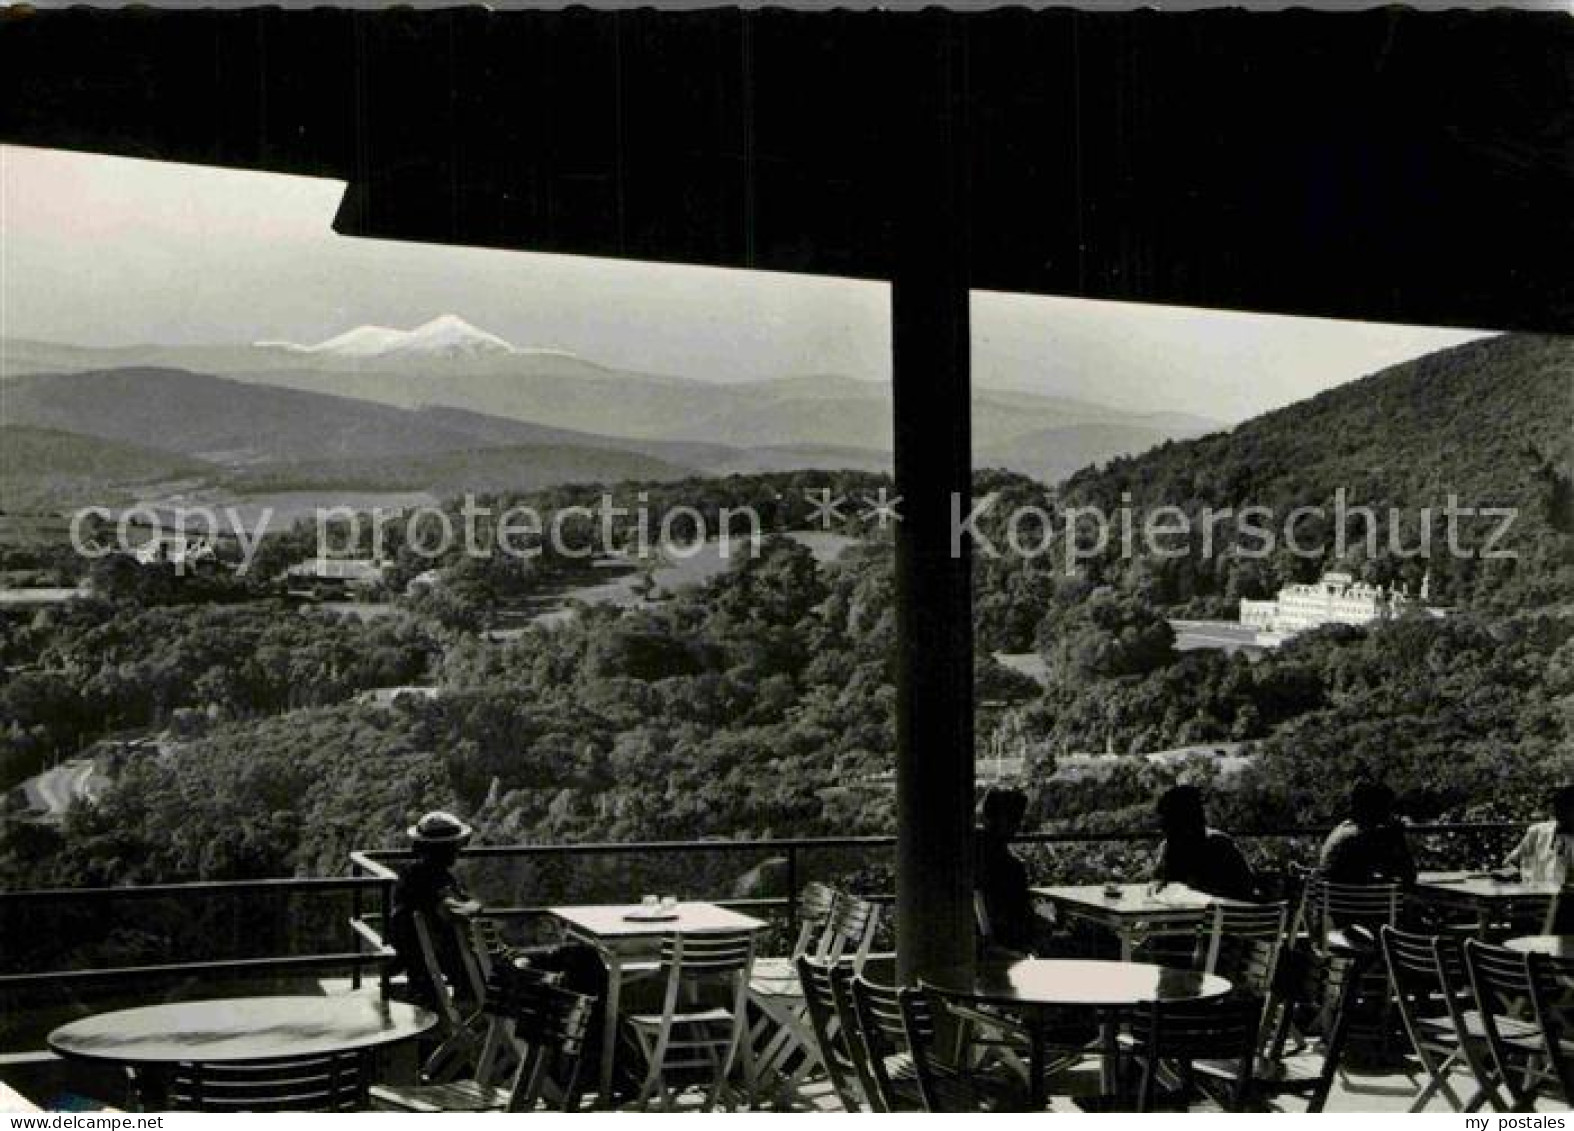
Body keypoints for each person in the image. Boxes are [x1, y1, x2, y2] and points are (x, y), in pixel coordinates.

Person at [388, 810, 483, 1008]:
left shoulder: (411, 873)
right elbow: (452, 910)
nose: (458, 850)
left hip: (417, 959)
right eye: (455, 845)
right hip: (447, 958)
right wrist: (475, 906)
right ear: (445, 848)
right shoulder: (434, 877)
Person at [1151, 784, 1256, 901]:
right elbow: (1158, 885)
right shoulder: (1169, 847)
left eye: (1167, 820)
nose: (1163, 827)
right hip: (1210, 914)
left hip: (1220, 914)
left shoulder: (1218, 847)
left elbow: (1237, 891)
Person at [975, 787, 1039, 954]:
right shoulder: (1010, 867)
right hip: (1002, 943)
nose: (1018, 825)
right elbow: (1020, 919)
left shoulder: (971, 851)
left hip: (979, 938)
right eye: (1015, 819)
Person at [1318, 780, 1417, 886]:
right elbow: (1408, 875)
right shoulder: (1364, 838)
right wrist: (1398, 836)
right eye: (1388, 806)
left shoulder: (1344, 829)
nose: (1391, 813)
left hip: (1332, 899)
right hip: (1357, 900)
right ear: (1376, 808)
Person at [1501, 784, 1574, 884]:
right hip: (1537, 896)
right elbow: (1510, 862)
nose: (1561, 813)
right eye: (1560, 807)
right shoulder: (1538, 832)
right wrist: (1516, 874)